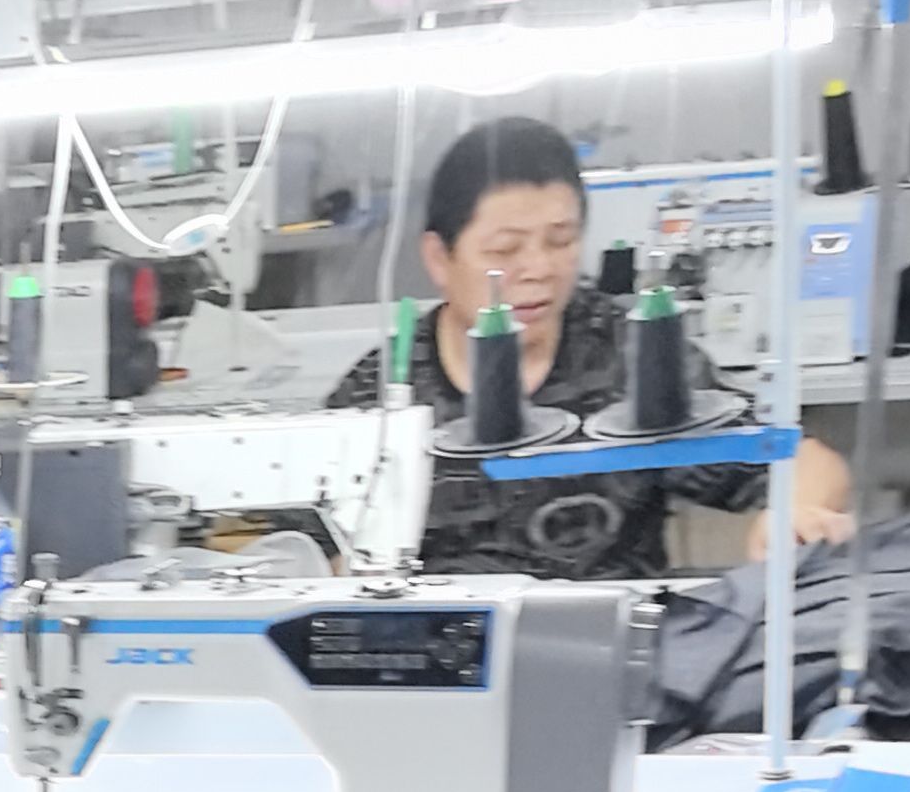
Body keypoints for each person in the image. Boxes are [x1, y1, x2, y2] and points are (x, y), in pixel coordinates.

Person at [326, 115, 853, 577]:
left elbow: (804, 461)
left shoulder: (625, 354)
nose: (539, 269)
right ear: (439, 259)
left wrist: (794, 514)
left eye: (561, 241)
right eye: (505, 250)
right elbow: (306, 545)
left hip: (613, 638)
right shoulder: (385, 390)